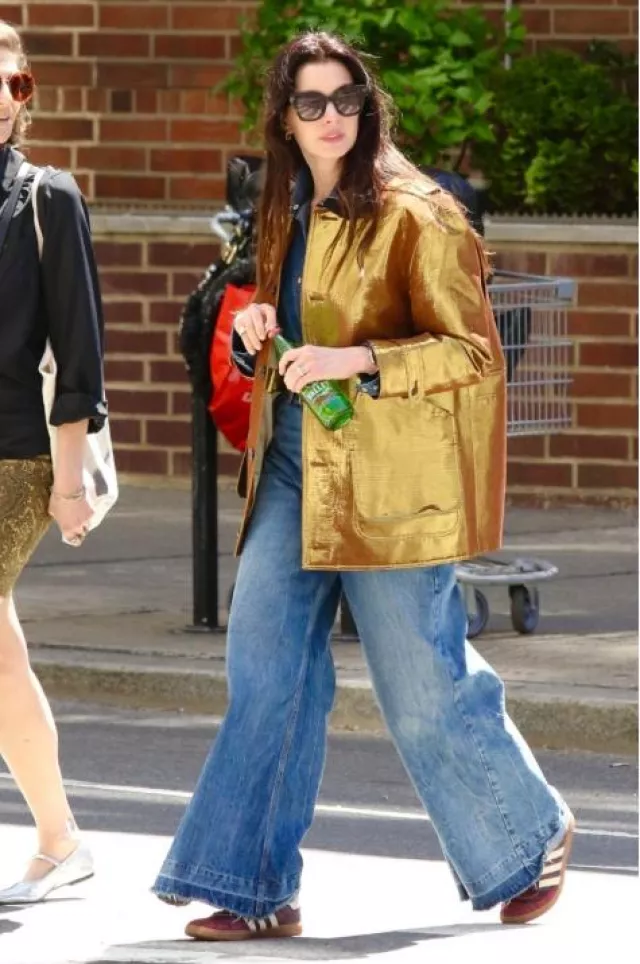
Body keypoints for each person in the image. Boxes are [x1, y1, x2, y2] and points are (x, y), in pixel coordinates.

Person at [154, 31, 574, 940]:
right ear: (285, 118)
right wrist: (256, 325)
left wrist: (359, 359)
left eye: (345, 99)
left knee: (420, 683)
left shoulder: (422, 214)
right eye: (311, 103)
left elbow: (473, 352)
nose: (331, 117)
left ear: (366, 105)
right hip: (291, 465)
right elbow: (285, 314)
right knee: (265, 672)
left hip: (389, 482)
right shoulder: (287, 204)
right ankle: (255, 887)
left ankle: (527, 833)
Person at [0, 21, 106, 903]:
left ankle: (62, 837)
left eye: (15, 84)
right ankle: (60, 836)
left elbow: (80, 359)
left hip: (15, 460)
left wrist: (69, 482)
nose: (4, 98)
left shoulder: (47, 198)